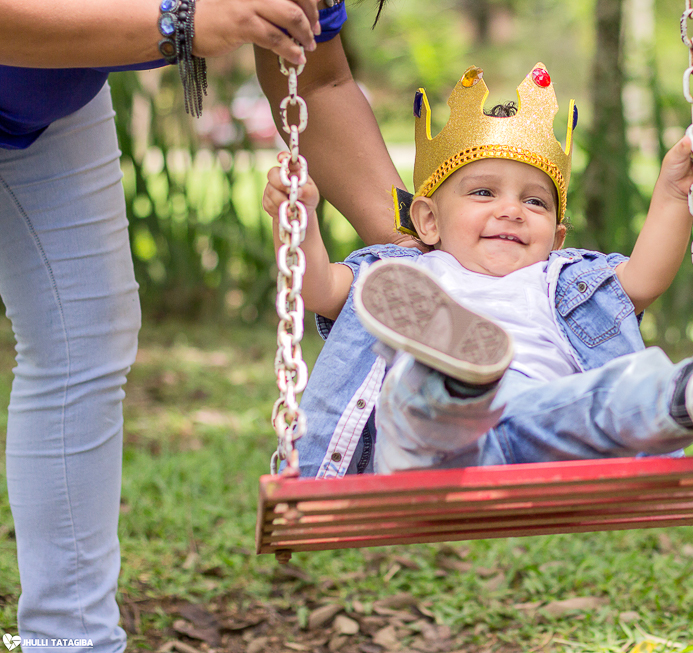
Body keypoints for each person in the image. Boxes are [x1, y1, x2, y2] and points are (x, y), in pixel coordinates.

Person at [1, 1, 409, 651]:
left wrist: (429, 250)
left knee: (83, 338)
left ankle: (70, 640)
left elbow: (321, 83)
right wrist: (180, 23)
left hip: (49, 97)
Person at [262, 62, 693, 477]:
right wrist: (298, 218)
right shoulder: (403, 278)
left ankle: (681, 396)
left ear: (557, 236)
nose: (511, 211)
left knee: (599, 401)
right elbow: (317, 286)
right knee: (418, 389)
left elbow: (643, 278)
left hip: (534, 438)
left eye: (535, 204)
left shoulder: (559, 282)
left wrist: (672, 191)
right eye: (483, 193)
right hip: (419, 452)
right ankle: (459, 377)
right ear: (427, 220)